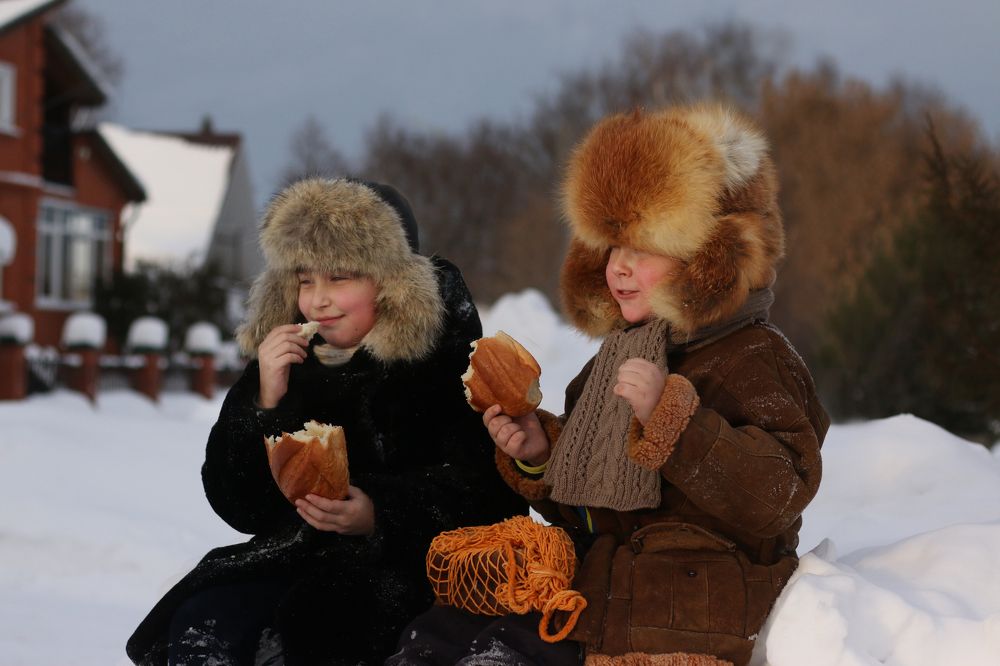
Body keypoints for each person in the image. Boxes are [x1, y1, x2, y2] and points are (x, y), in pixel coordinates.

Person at [389, 104, 829, 666]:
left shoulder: (755, 358)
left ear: (707, 257)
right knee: (439, 634)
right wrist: (541, 455)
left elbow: (779, 493)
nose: (618, 268)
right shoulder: (621, 354)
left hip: (682, 602)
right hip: (604, 580)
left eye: (643, 251)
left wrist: (676, 422)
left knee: (504, 655)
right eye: (611, 248)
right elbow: (598, 510)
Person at [125, 178, 527, 666]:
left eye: (340, 278)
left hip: (407, 570)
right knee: (205, 624)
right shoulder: (287, 364)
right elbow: (239, 507)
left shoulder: (447, 366)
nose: (317, 300)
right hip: (293, 556)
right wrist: (265, 401)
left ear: (392, 283)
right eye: (304, 279)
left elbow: (489, 497)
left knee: (322, 631)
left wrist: (380, 513)